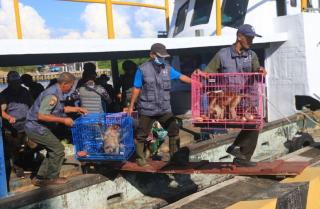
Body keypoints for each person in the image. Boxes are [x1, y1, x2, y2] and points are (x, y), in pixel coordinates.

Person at [204, 24, 266, 166]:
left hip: (248, 100)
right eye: (249, 38)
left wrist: (261, 70)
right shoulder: (222, 54)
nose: (251, 41)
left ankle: (241, 156)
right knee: (250, 125)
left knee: (255, 125)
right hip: (229, 102)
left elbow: (257, 70)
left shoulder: (252, 55)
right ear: (239, 37)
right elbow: (208, 72)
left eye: (252, 38)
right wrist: (200, 73)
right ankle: (239, 153)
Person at [128, 43, 191, 167]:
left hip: (164, 109)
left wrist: (195, 83)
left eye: (164, 56)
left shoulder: (167, 69)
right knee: (142, 134)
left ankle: (175, 156)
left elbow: (181, 77)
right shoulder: (142, 69)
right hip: (147, 109)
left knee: (173, 129)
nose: (162, 59)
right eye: (160, 56)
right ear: (152, 55)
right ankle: (140, 158)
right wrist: (131, 106)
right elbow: (136, 88)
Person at [25, 72, 87, 186]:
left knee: (53, 149)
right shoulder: (52, 95)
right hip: (35, 127)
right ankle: (51, 177)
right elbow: (41, 115)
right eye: (71, 85)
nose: (72, 88)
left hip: (37, 127)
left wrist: (77, 109)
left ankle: (40, 177)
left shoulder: (57, 92)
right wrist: (64, 120)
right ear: (64, 84)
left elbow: (60, 108)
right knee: (58, 150)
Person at [0, 71, 33, 179]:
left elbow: (31, 104)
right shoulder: (4, 94)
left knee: (29, 146)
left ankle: (26, 164)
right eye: (14, 83)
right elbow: (1, 111)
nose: (16, 85)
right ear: (9, 82)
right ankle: (18, 169)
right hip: (12, 128)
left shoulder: (24, 91)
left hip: (26, 125)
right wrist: (9, 117)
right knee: (14, 149)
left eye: (18, 83)